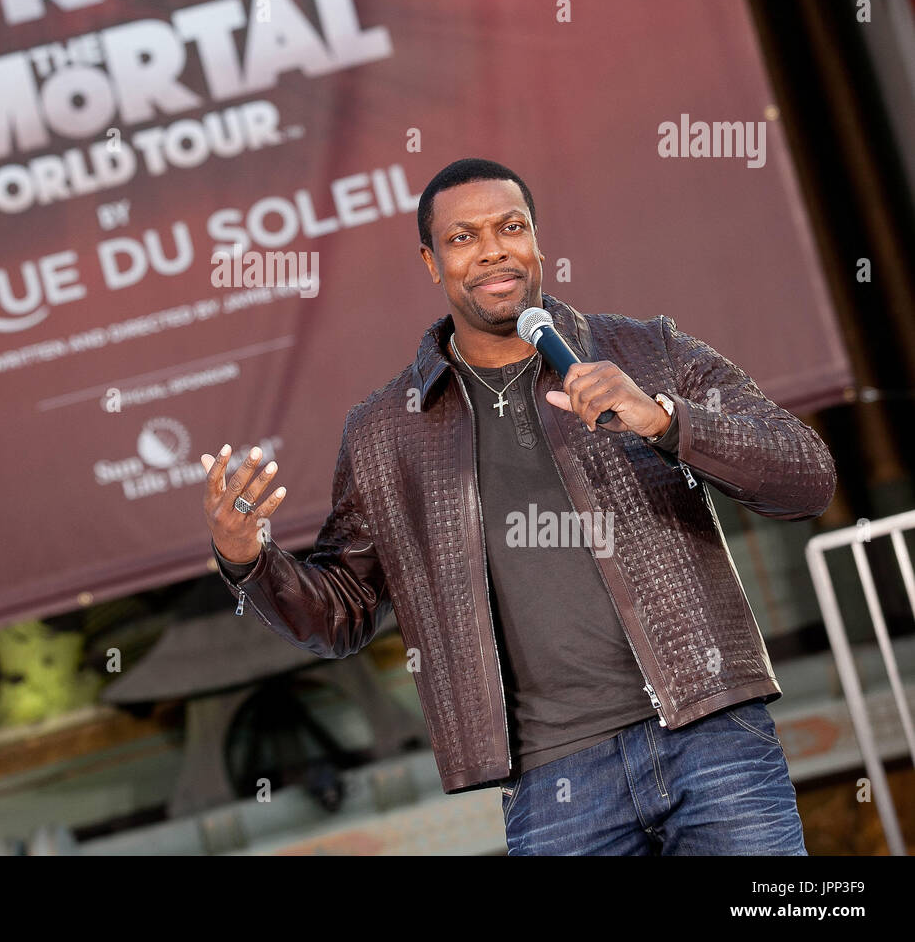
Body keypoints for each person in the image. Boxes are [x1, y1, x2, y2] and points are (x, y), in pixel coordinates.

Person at [199, 157, 836, 856]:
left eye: (511, 227)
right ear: (431, 263)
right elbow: (343, 612)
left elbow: (807, 476)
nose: (494, 249)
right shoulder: (386, 430)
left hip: (712, 736)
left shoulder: (645, 350)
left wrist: (665, 420)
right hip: (553, 783)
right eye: (463, 237)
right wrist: (246, 560)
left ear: (537, 241)